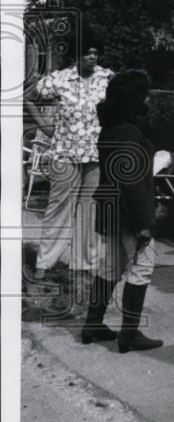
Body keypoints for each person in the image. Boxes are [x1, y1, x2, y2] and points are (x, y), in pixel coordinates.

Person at [83, 68, 163, 353]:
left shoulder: (111, 129)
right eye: (145, 95)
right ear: (133, 99)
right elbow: (132, 184)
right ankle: (129, 335)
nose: (149, 100)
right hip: (129, 213)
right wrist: (145, 223)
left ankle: (92, 323)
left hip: (109, 209)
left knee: (110, 266)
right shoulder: (129, 132)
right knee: (142, 267)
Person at [26, 29, 113, 278]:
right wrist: (44, 126)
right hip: (64, 154)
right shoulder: (60, 79)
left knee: (90, 209)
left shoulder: (107, 78)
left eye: (96, 52)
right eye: (87, 52)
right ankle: (45, 262)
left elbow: (125, 104)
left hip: (95, 156)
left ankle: (84, 263)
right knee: (58, 209)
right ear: (77, 55)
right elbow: (29, 97)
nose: (92, 57)